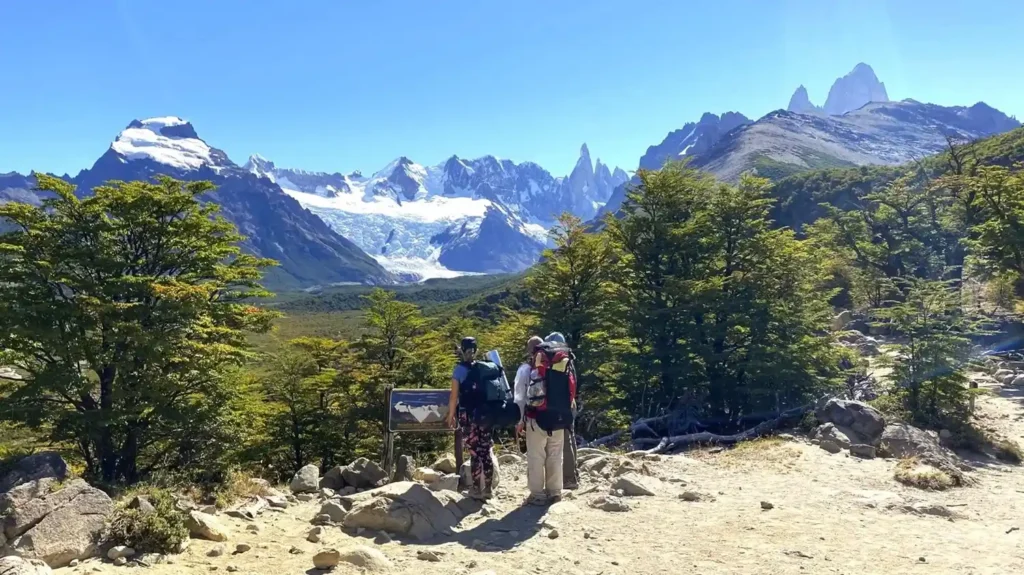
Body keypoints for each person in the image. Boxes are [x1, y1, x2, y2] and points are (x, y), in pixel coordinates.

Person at [515, 334, 570, 505]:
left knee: (536, 456)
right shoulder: (558, 364)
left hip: (535, 417)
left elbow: (519, 397)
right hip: (558, 416)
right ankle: (555, 492)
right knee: (555, 454)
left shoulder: (526, 369)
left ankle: (537, 495)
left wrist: (519, 421)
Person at [446, 336, 495, 499]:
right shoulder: (484, 367)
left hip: (468, 416)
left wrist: (451, 415)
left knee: (474, 453)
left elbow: (454, 396)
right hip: (486, 414)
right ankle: (488, 489)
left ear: (461, 350)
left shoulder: (459, 370)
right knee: (486, 451)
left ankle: (475, 489)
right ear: (477, 350)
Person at [545, 331, 580, 490]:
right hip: (570, 403)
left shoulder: (558, 361)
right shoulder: (569, 359)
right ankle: (573, 474)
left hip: (561, 405)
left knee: (564, 440)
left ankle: (568, 479)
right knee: (570, 437)